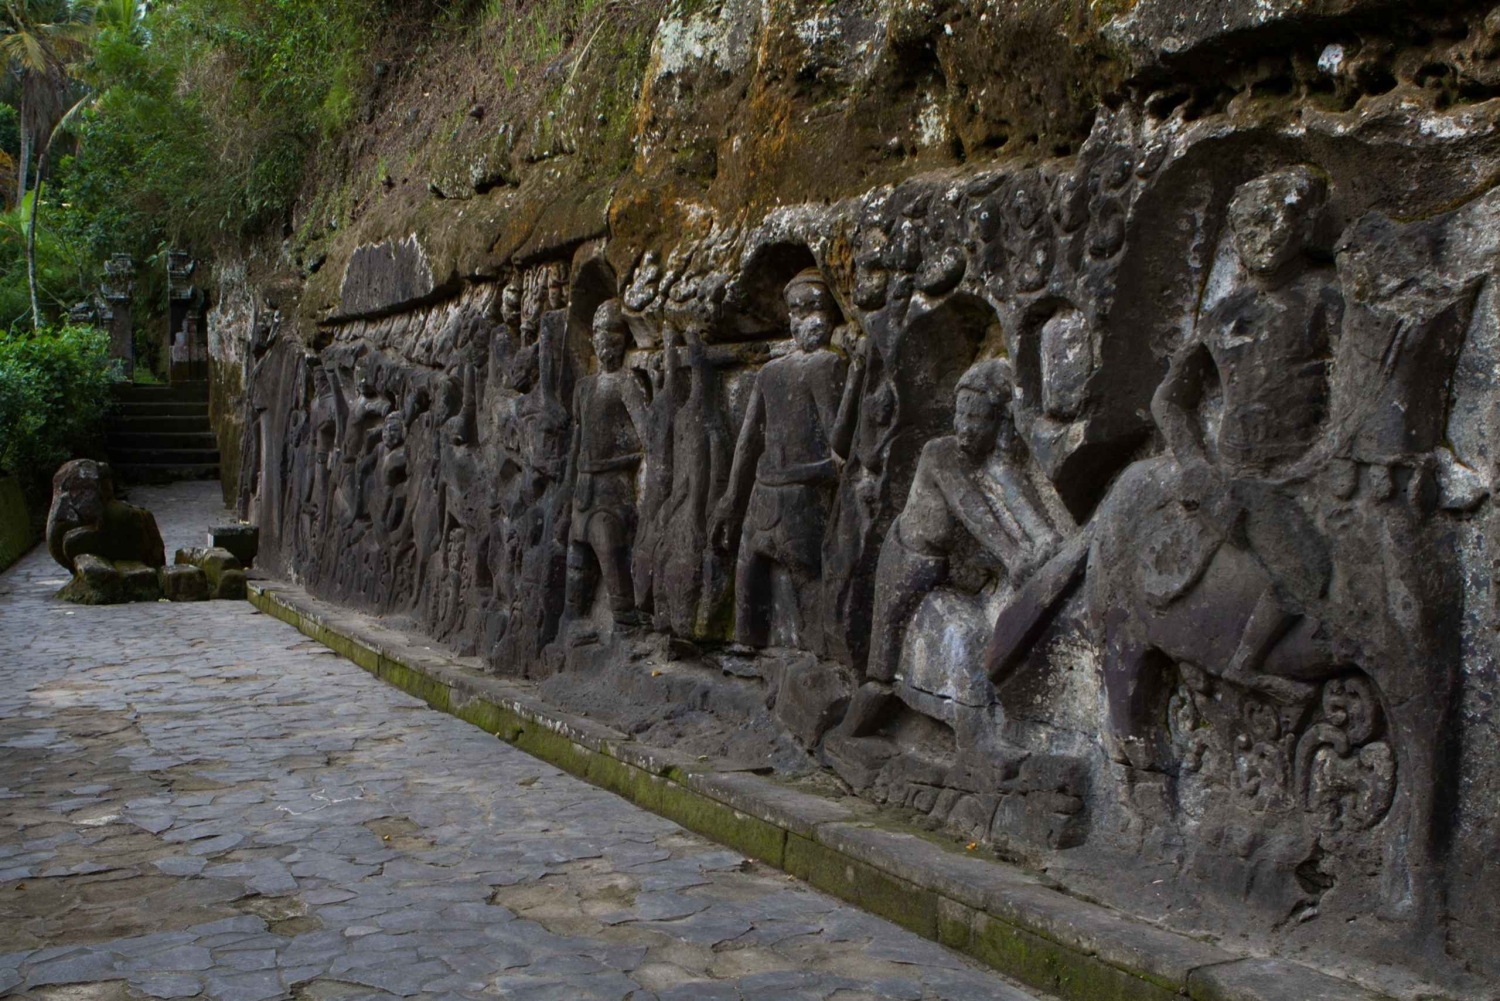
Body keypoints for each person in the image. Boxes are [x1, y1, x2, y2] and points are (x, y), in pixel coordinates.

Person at [867, 358, 1070, 685]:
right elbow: (971, 509)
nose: (963, 426)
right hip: (909, 564)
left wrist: (1045, 539)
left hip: (961, 572)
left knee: (976, 645)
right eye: (960, 414)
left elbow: (1016, 496)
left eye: (975, 417)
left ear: (999, 421)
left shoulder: (994, 461)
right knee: (882, 668)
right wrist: (1014, 556)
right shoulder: (940, 453)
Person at [710, 269, 850, 651]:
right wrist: (730, 499)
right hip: (763, 494)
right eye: (796, 309)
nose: (805, 318)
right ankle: (746, 650)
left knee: (807, 579)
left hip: (801, 496)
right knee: (747, 578)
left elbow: (840, 443)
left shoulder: (826, 366)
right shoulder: (771, 373)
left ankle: (816, 655)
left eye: (813, 307)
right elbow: (747, 440)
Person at [564, 300, 651, 626]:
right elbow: (577, 440)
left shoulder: (626, 384)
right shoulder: (584, 388)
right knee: (576, 560)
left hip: (613, 490)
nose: (606, 340)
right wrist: (568, 489)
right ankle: (573, 626)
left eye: (614, 333)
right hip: (584, 489)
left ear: (625, 340)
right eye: (600, 332)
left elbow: (647, 435)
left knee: (610, 554)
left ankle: (625, 628)